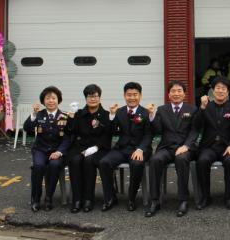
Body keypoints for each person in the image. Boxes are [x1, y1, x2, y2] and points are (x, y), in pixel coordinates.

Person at [146, 80, 198, 218]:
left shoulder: (192, 109)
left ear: (184, 94)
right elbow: (158, 130)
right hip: (167, 147)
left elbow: (194, 131)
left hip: (185, 147)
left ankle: (183, 200)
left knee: (181, 159)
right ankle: (155, 200)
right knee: (155, 160)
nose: (176, 93)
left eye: (179, 91)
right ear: (168, 94)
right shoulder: (162, 109)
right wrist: (151, 115)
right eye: (173, 91)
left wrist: (186, 146)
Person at [99, 82, 153, 212]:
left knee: (136, 163)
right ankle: (110, 197)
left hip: (140, 148)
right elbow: (111, 131)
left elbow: (149, 135)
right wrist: (112, 116)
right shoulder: (119, 112)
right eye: (129, 95)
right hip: (121, 148)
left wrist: (140, 149)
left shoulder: (146, 112)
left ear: (140, 96)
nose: (132, 97)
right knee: (104, 162)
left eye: (135, 94)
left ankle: (131, 198)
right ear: (124, 96)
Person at [194, 76, 230, 210]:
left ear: (228, 92)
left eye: (223, 89)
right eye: (218, 88)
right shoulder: (206, 106)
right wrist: (202, 107)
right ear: (213, 91)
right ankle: (205, 197)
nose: (220, 91)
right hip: (209, 146)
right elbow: (196, 125)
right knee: (202, 161)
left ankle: (229, 197)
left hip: (227, 146)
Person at [65, 84, 112, 213]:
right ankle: (77, 199)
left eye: (95, 96)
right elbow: (71, 131)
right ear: (85, 98)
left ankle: (88, 199)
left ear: (99, 98)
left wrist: (96, 147)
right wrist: (71, 118)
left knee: (89, 161)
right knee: (75, 160)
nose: (93, 99)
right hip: (80, 147)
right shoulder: (79, 113)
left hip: (98, 148)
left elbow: (107, 135)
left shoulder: (105, 115)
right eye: (90, 96)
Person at [23, 86, 71, 212]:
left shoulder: (64, 116)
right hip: (40, 150)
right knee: (38, 166)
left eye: (53, 98)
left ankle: (49, 198)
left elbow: (67, 138)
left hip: (57, 151)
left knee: (54, 165)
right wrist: (33, 114)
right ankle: (36, 199)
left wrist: (59, 152)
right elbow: (27, 128)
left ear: (58, 100)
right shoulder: (39, 114)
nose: (51, 101)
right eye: (48, 98)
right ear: (43, 101)